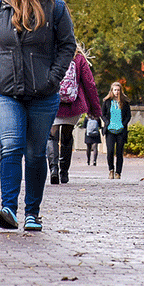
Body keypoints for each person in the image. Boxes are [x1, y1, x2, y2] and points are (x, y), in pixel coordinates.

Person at [0, 0, 76, 232]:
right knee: (11, 146)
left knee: (35, 154)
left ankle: (32, 213)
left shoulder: (56, 9)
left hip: (43, 94)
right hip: (5, 91)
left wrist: (53, 77)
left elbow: (67, 46)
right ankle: (8, 208)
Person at [46, 42, 101, 184]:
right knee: (67, 137)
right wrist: (95, 109)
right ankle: (64, 172)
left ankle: (53, 169)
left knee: (52, 137)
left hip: (53, 101)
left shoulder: (49, 54)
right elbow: (90, 84)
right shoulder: (78, 58)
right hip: (73, 104)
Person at [101, 82, 131, 180]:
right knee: (110, 151)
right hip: (110, 130)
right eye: (115, 90)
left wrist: (123, 124)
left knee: (119, 153)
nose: (116, 92)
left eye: (118, 90)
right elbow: (103, 114)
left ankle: (118, 172)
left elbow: (128, 115)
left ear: (120, 91)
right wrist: (107, 122)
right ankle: (111, 170)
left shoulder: (125, 102)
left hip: (121, 131)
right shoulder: (107, 101)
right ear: (111, 91)